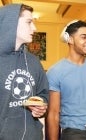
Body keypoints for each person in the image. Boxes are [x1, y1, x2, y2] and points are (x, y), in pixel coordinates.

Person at [0, 3, 49, 140]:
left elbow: (43, 93)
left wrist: (41, 107)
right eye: (29, 22)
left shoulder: (33, 61)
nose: (34, 28)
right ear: (12, 23)